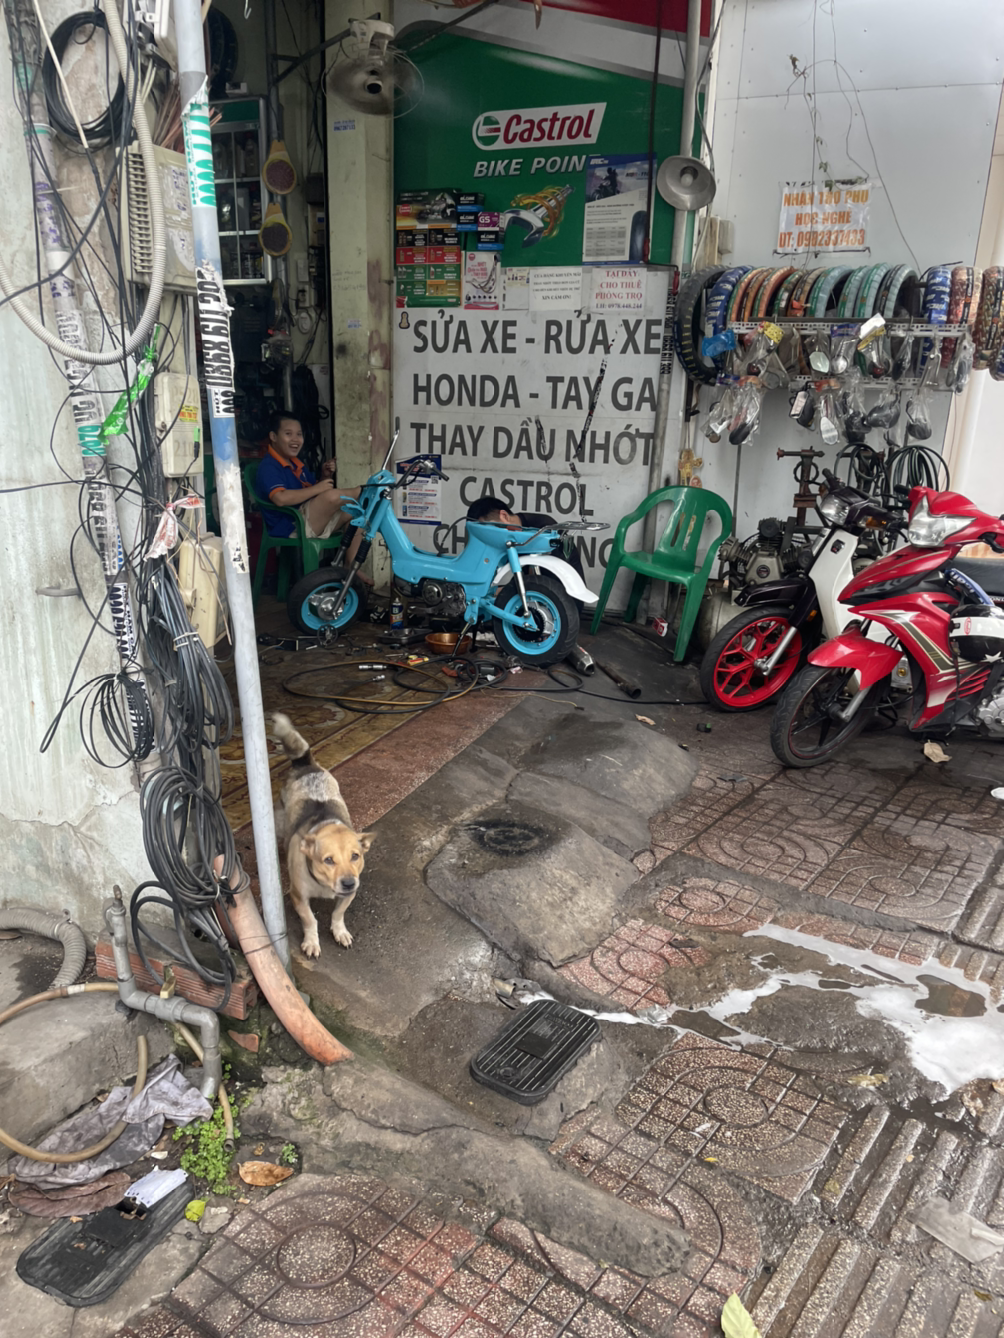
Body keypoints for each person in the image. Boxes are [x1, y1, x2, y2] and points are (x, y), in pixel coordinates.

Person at [255, 411, 364, 566]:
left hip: (307, 519)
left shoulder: (296, 464)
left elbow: (315, 496)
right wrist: (318, 488)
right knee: (332, 497)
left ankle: (352, 570)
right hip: (290, 526)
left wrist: (325, 476)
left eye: (299, 434)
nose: (295, 439)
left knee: (357, 515)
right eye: (288, 434)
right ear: (273, 437)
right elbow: (280, 498)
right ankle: (363, 491)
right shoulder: (269, 466)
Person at [465, 494, 585, 582]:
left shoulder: (544, 529)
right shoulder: (508, 537)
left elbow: (548, 579)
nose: (489, 536)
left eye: (490, 529)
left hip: (561, 601)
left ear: (504, 516)